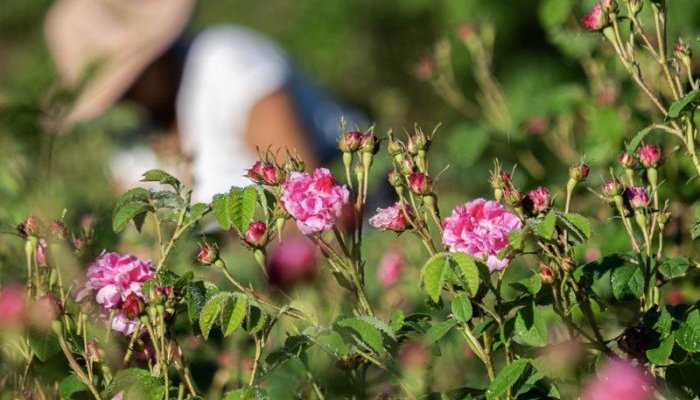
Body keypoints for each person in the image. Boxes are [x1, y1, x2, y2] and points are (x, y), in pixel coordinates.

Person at [44, 0, 364, 202]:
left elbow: (314, 202)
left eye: (129, 82)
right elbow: (143, 244)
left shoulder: (225, 63)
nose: (123, 98)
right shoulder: (128, 140)